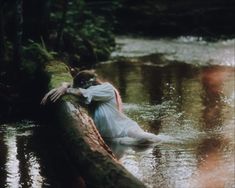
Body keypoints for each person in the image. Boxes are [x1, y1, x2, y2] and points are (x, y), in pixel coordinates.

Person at [41, 70, 162, 145]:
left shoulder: (106, 89)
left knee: (146, 139)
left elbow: (80, 92)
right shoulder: (89, 93)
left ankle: (164, 141)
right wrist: (62, 86)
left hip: (126, 130)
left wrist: (66, 89)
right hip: (110, 139)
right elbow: (74, 88)